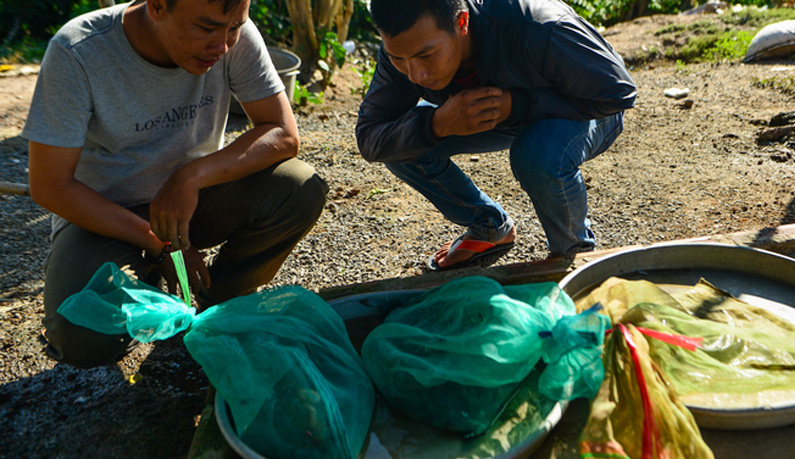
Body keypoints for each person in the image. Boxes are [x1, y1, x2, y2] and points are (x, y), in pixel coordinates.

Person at [22, 0, 328, 368]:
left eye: (234, 27)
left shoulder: (232, 32)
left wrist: (191, 176)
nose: (223, 45)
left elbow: (282, 134)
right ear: (157, 6)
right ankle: (150, 282)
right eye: (206, 28)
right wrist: (160, 245)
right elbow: (50, 185)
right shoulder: (78, 50)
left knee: (300, 187)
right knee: (83, 336)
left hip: (192, 204)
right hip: (105, 217)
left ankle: (218, 303)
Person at [356, 0, 637, 271]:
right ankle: (491, 227)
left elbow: (618, 93)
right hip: (505, 111)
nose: (415, 74)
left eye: (426, 55)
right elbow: (371, 137)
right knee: (403, 143)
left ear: (462, 22)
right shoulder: (406, 50)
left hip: (586, 107)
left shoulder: (539, 24)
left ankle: (576, 256)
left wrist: (517, 104)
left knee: (537, 156)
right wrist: (437, 125)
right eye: (398, 58)